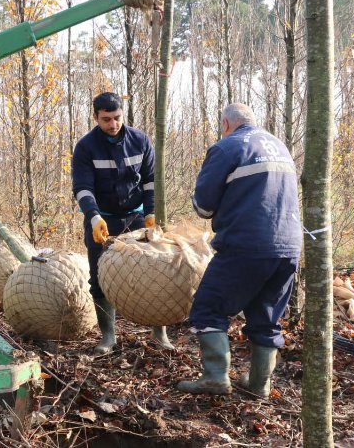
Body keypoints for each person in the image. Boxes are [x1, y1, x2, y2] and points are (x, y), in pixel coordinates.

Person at [177, 103, 302, 397]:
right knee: (266, 316)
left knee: (208, 307)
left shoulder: (227, 147)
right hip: (288, 246)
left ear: (225, 123)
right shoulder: (279, 145)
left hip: (246, 243)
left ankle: (216, 376)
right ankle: (260, 384)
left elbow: (203, 206)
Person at [71, 92, 173, 354]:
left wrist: (151, 213)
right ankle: (108, 337)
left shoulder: (140, 141)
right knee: (99, 276)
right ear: (96, 117)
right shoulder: (85, 147)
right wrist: (93, 216)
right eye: (106, 119)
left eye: (117, 118)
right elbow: (83, 188)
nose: (113, 124)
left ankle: (159, 334)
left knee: (154, 272)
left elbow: (151, 181)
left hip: (137, 216)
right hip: (101, 219)